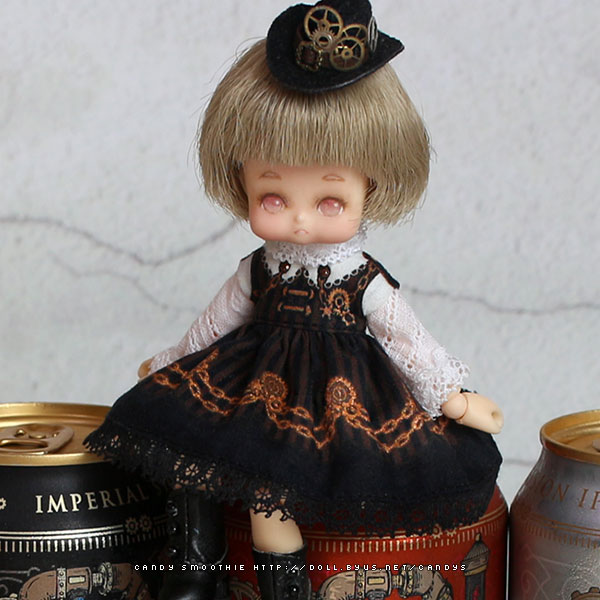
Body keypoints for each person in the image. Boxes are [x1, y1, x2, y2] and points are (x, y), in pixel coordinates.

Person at [85, 1, 503, 599]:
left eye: (330, 202)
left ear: (372, 187)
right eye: (274, 198)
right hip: (252, 387)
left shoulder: (361, 279)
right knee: (196, 450)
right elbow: (217, 321)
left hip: (336, 401)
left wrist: (451, 396)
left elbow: (406, 339)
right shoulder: (259, 269)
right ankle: (200, 570)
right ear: (241, 182)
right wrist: (174, 359)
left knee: (281, 499)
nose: (301, 220)